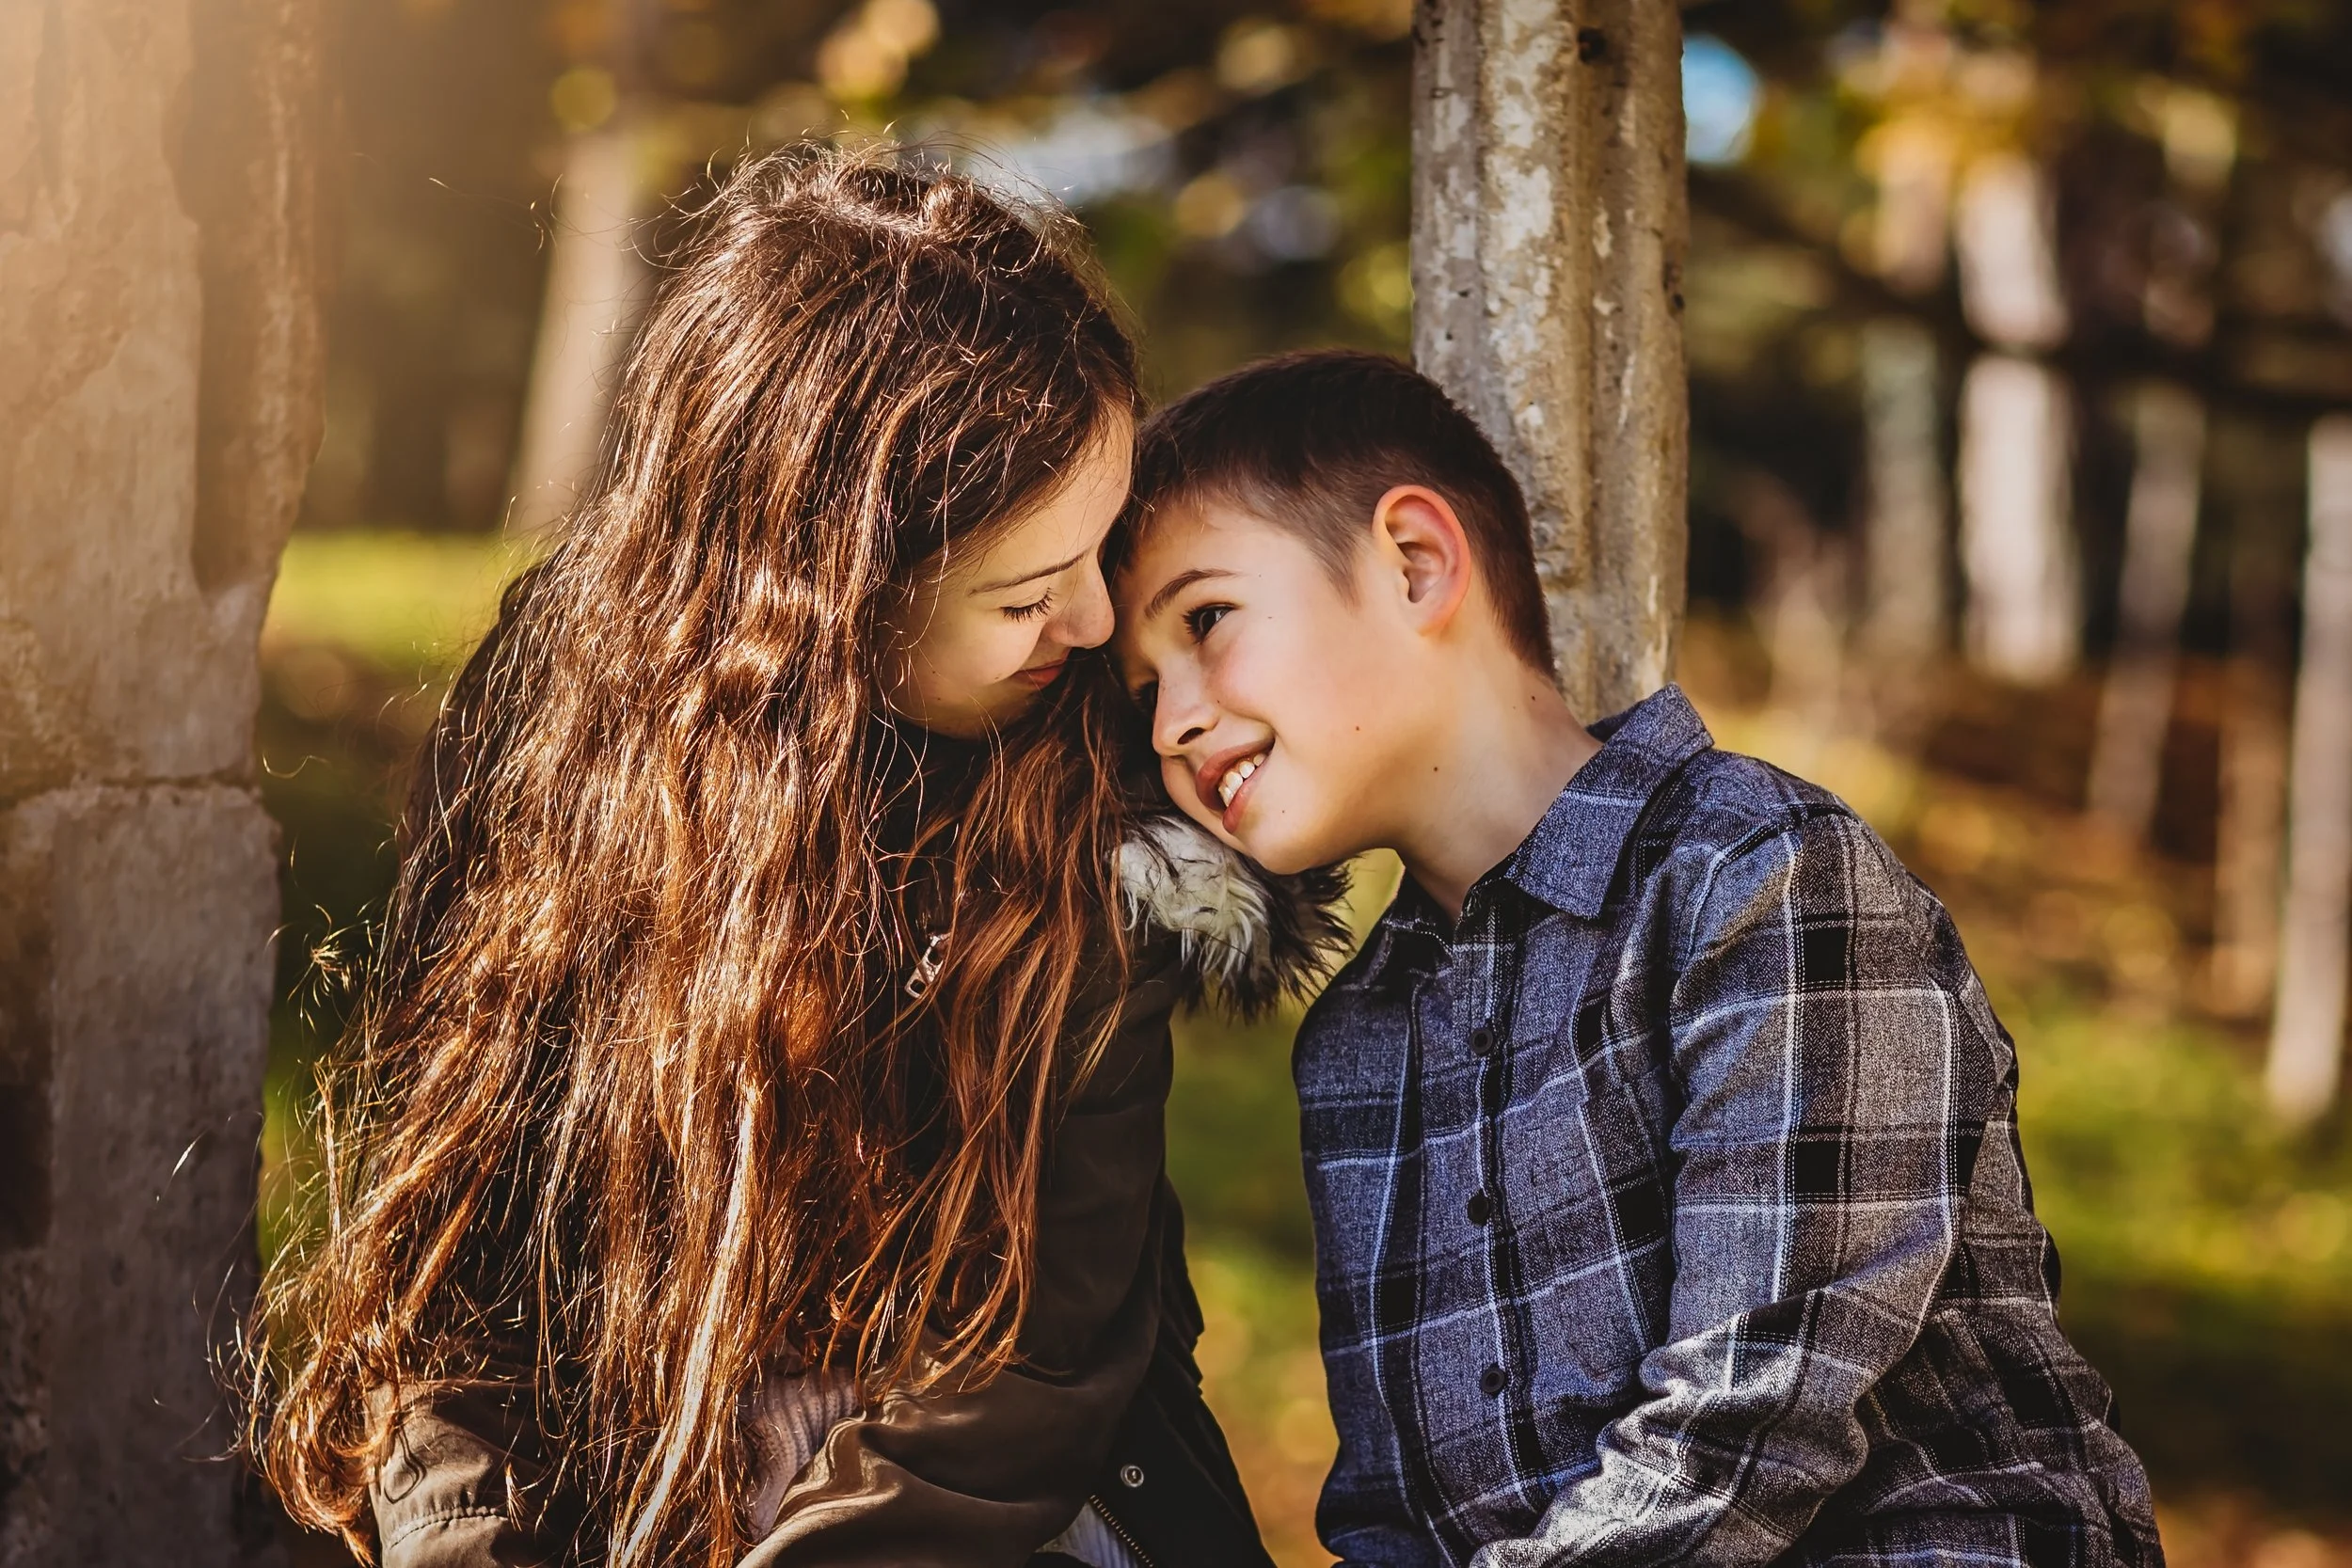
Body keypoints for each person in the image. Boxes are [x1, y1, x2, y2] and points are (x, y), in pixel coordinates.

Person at [246, 150, 1345, 1568]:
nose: (1094, 620)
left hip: (977, 1519)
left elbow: (1036, 1370)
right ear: (833, 592)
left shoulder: (1089, 805)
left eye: (1103, 546)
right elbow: (461, 1244)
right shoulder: (567, 724)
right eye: (1024, 591)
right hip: (638, 1495)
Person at [1110, 348, 2164, 1568]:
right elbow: (1395, 1517)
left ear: (1414, 563)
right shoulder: (1357, 1042)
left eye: (1207, 621)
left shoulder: (1752, 873)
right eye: (1143, 686)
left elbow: (1751, 1417)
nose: (1172, 720)